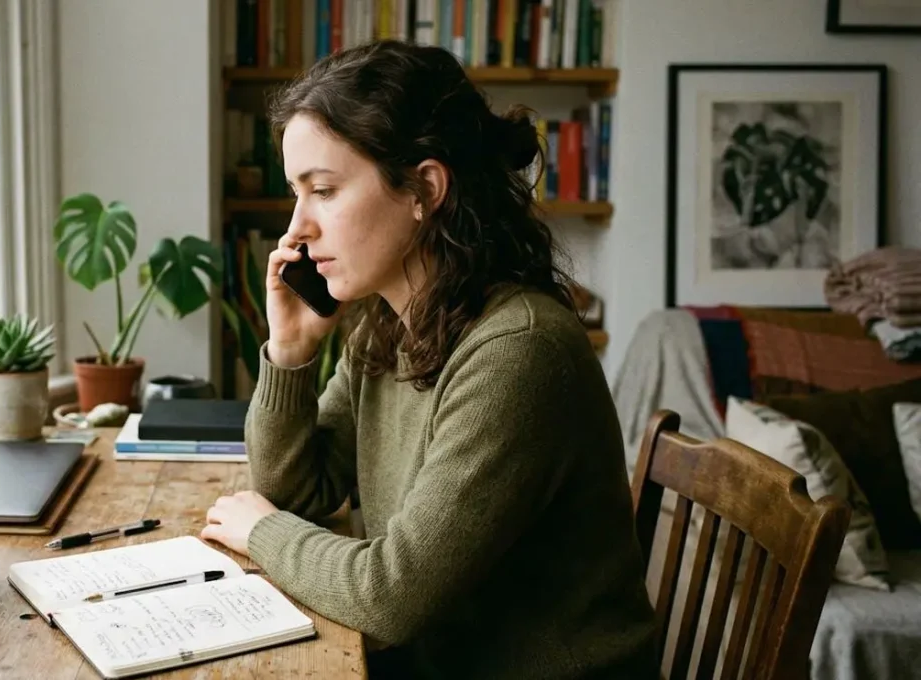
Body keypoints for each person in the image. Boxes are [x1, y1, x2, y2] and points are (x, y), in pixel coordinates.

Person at [199, 39, 659, 679]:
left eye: (324, 191)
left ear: (424, 188)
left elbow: (389, 597)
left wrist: (261, 533)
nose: (297, 228)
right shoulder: (389, 324)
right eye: (296, 194)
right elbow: (299, 492)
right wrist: (290, 353)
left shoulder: (517, 352)